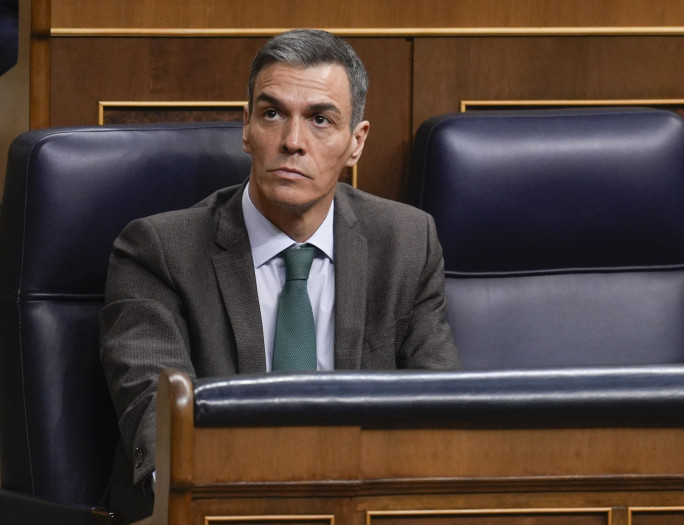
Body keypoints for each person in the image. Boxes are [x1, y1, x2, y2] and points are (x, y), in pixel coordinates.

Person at [100, 29, 459, 519]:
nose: (293, 142)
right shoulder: (158, 251)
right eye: (273, 114)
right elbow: (158, 422)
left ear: (356, 142)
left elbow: (437, 414)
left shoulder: (406, 243)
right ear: (246, 127)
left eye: (320, 120)